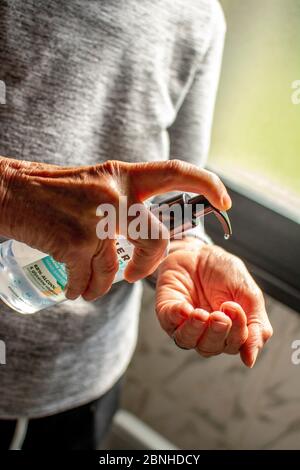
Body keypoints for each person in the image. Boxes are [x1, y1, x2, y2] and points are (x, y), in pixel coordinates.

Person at [0, 0, 272, 449]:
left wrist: (185, 249)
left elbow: (171, 195)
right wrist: (10, 193)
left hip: (88, 368)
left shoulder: (199, 17)